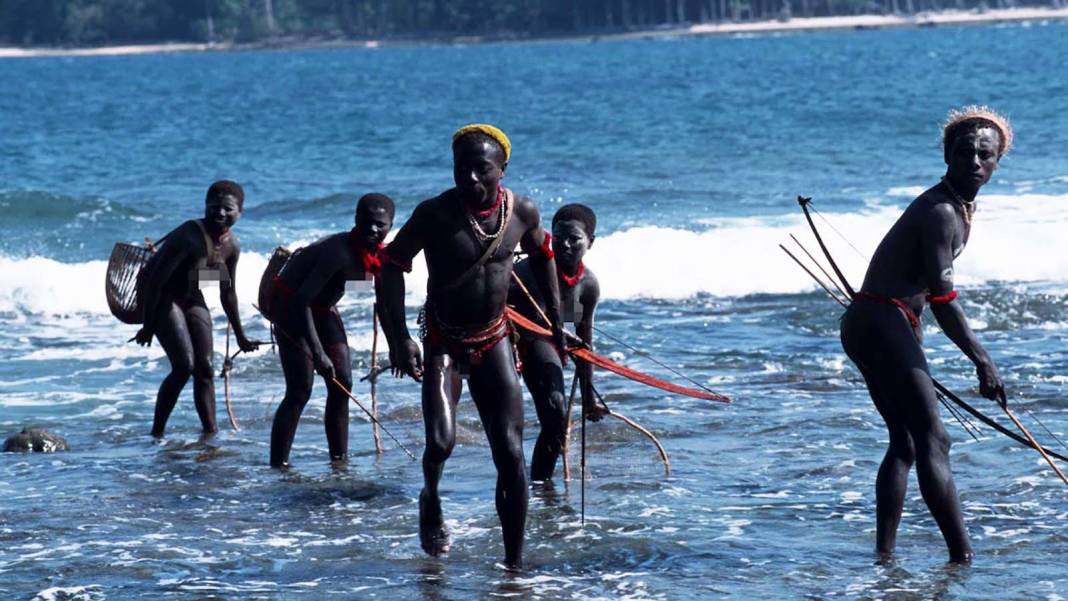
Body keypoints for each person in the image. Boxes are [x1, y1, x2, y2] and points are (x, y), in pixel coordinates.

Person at [378, 124, 564, 570]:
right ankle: (430, 497)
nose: (471, 179)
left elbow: (544, 258)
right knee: (440, 444)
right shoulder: (435, 214)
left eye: (482, 169)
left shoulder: (522, 212)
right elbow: (390, 266)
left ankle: (514, 568)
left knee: (511, 454)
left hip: (495, 337)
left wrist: (557, 324)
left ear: (503, 169)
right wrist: (399, 338)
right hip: (443, 340)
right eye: (462, 169)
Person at [839, 106, 1013, 563]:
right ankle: (962, 558)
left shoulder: (959, 206)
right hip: (882, 321)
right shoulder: (940, 212)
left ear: (998, 161)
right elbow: (943, 299)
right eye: (964, 152)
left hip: (873, 323)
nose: (974, 161)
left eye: (985, 154)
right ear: (946, 156)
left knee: (908, 442)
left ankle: (884, 556)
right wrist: (983, 361)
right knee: (935, 440)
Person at [267, 193, 395, 468]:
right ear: (356, 220)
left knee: (342, 384)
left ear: (391, 226)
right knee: (300, 390)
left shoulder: (381, 257)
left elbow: (385, 306)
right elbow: (301, 301)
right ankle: (278, 466)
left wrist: (397, 348)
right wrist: (318, 353)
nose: (373, 229)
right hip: (292, 308)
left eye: (380, 225)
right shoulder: (338, 253)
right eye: (367, 222)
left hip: (322, 308)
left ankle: (339, 463)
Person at [134, 180, 260, 437]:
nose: (220, 213)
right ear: (205, 206)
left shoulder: (231, 247)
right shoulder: (188, 237)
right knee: (184, 366)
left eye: (228, 209)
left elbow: (227, 292)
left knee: (205, 368)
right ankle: (156, 434)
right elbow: (156, 282)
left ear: (240, 212)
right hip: (163, 296)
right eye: (214, 207)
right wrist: (148, 326)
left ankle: (210, 434)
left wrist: (241, 336)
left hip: (192, 295)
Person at [509, 203, 608, 482]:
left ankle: (541, 488)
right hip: (518, 340)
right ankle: (535, 485)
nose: (565, 245)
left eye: (574, 239)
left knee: (556, 423)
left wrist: (589, 399)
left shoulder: (587, 285)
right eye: (559, 237)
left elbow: (582, 342)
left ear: (591, 242)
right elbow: (525, 320)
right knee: (554, 415)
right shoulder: (533, 270)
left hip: (546, 344)